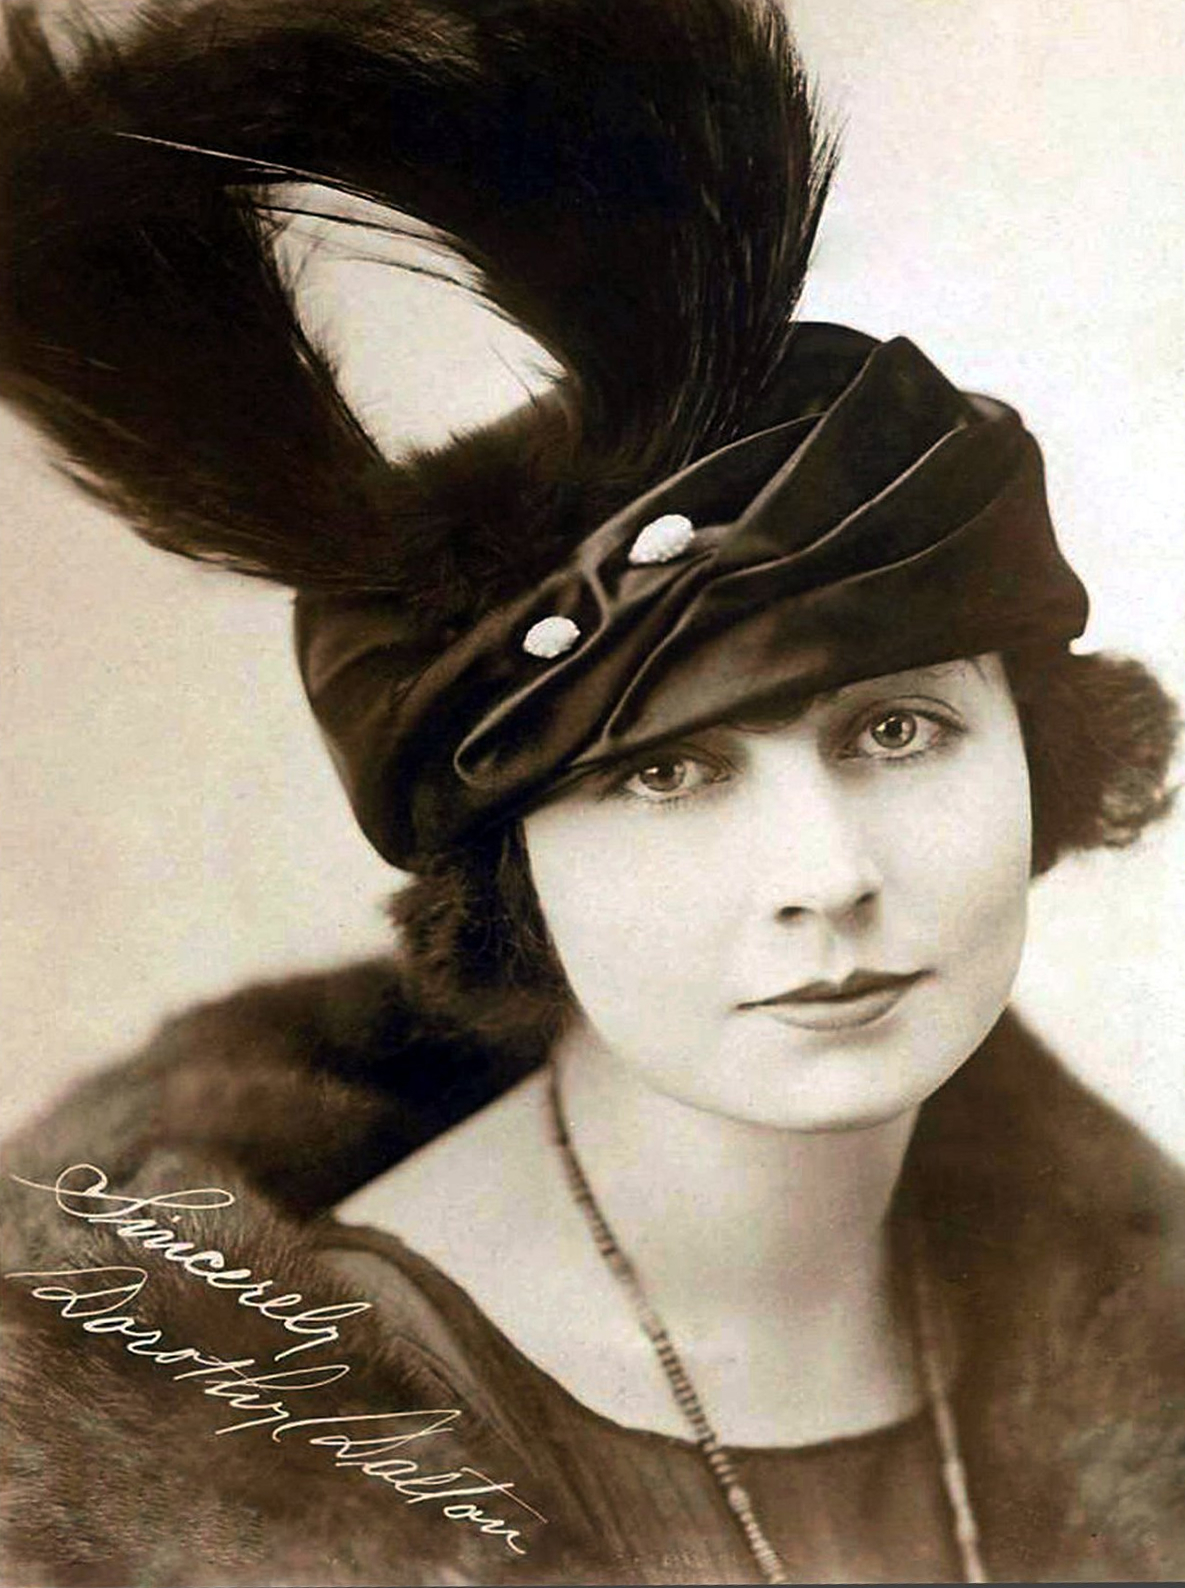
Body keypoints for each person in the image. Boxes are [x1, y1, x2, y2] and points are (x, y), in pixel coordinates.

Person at [0, 0, 1181, 1584]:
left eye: (895, 732)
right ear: (510, 874)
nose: (823, 872)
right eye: (664, 773)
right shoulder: (192, 1495)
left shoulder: (1138, 1310)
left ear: (1040, 750)